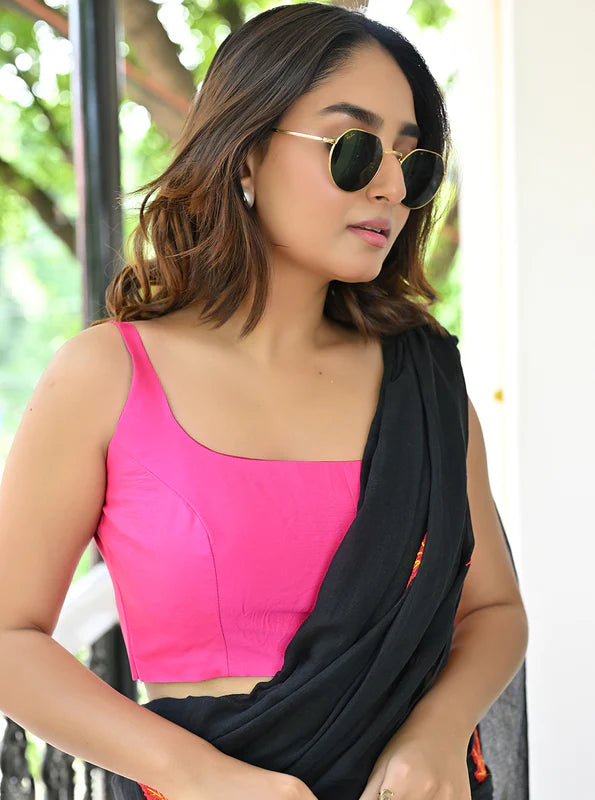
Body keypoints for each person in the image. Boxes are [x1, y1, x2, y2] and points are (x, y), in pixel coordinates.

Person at [0, 3, 529, 800]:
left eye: (413, 163)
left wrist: (435, 733)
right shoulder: (107, 375)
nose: (392, 186)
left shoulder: (422, 382)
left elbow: (494, 610)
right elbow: (9, 638)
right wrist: (203, 776)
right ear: (246, 156)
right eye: (354, 149)